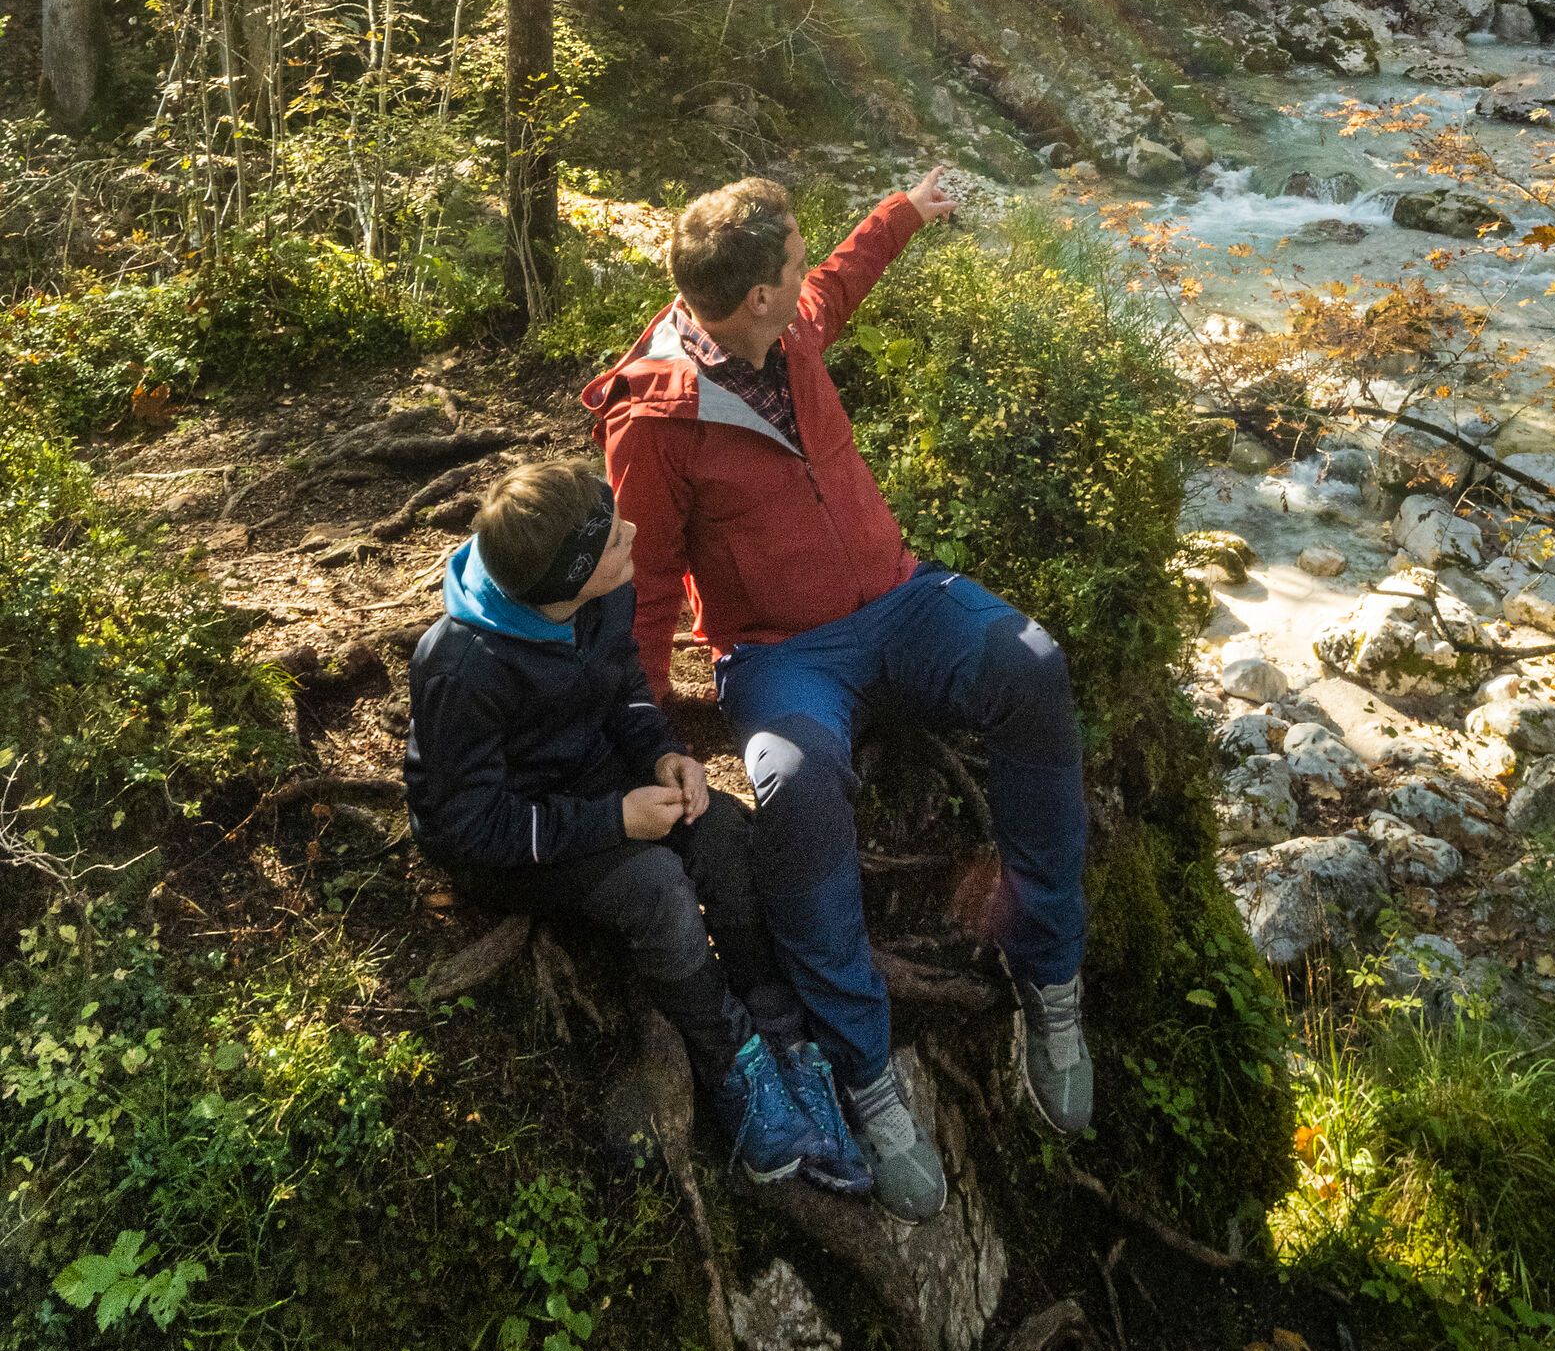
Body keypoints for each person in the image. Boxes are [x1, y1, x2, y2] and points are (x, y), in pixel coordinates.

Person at [580, 170, 1091, 1224]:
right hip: (782, 656)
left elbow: (840, 282)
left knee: (1032, 665)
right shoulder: (655, 421)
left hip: (900, 602)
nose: (805, 271)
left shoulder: (788, 325)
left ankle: (1051, 971)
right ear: (754, 295)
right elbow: (645, 589)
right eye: (792, 261)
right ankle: (865, 1072)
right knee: (799, 788)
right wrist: (647, 733)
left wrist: (904, 211)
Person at [404, 457, 870, 1194]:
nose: (632, 531)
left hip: (592, 782)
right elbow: (467, 825)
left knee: (721, 830)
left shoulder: (603, 596)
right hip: (511, 840)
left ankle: (781, 1027)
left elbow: (624, 689)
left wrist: (662, 755)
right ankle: (731, 1061)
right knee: (654, 885)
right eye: (612, 537)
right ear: (569, 578)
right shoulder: (462, 668)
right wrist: (613, 819)